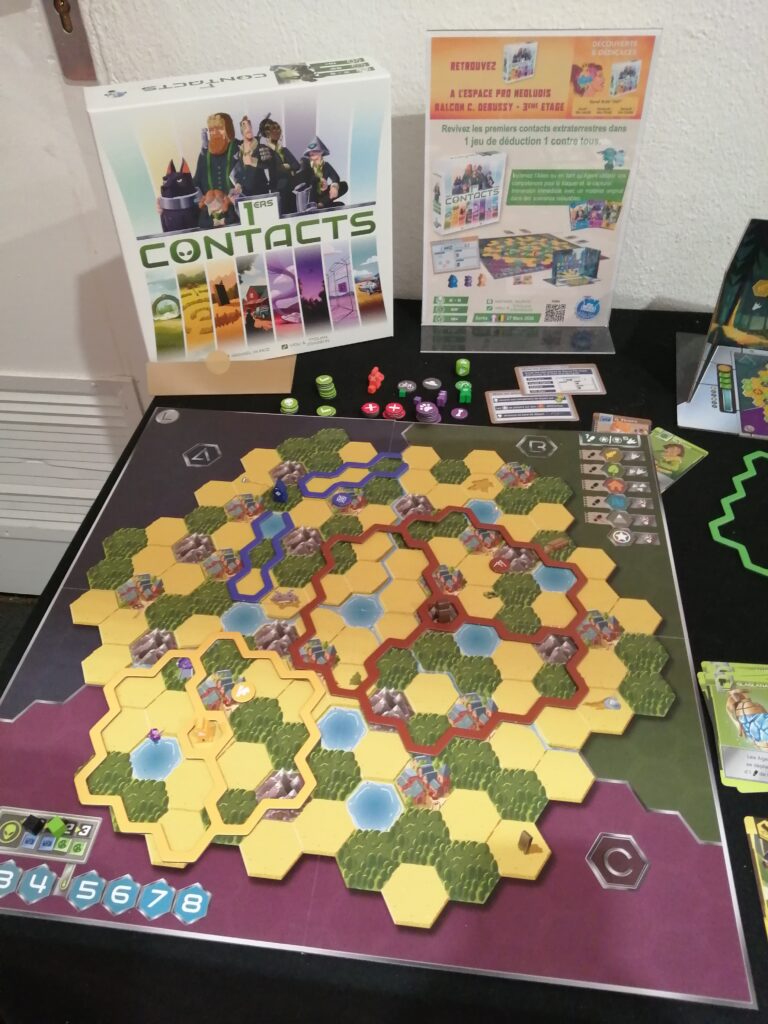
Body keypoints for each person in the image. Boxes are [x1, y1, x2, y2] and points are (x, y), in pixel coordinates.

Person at [194, 113, 241, 227]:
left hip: (235, 209)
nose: (215, 133)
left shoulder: (239, 148)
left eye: (219, 128)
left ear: (228, 130)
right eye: (211, 130)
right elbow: (196, 181)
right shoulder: (204, 154)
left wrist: (231, 199)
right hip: (209, 212)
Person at [257, 114, 300, 214]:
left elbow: (296, 165)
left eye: (276, 128)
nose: (275, 131)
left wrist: (287, 166)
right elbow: (266, 166)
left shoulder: (284, 150)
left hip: (290, 188)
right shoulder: (264, 149)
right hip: (277, 190)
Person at [293, 136, 348, 210]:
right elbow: (303, 175)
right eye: (311, 153)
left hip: (321, 195)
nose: (312, 154)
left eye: (316, 151)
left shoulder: (326, 165)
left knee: (343, 185)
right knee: (315, 180)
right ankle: (312, 205)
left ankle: (321, 205)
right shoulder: (305, 163)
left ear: (321, 152)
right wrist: (319, 179)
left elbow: (335, 177)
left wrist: (334, 187)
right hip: (308, 195)